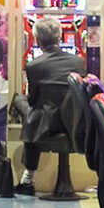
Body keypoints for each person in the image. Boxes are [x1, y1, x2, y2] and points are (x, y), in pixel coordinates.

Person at [18, 16, 85, 196]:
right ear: (60, 36)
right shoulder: (78, 62)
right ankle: (27, 178)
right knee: (32, 115)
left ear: (36, 40)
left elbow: (32, 100)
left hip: (47, 125)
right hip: (75, 123)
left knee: (22, 103)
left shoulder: (34, 65)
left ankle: (27, 179)